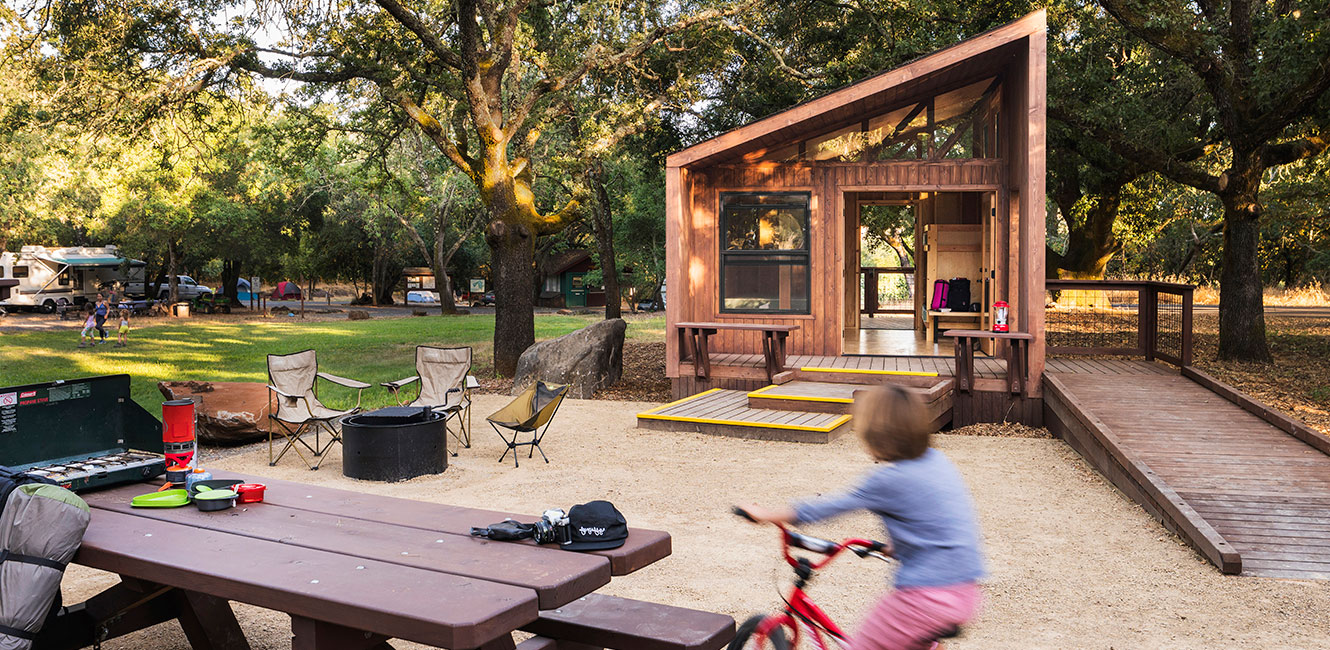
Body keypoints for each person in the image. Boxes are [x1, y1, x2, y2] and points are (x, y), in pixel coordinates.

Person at [739, 385, 985, 650]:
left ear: (876, 434)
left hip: (924, 599)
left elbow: (825, 508)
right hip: (965, 593)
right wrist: (897, 547)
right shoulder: (936, 461)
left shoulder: (888, 479)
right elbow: (937, 521)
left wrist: (765, 514)